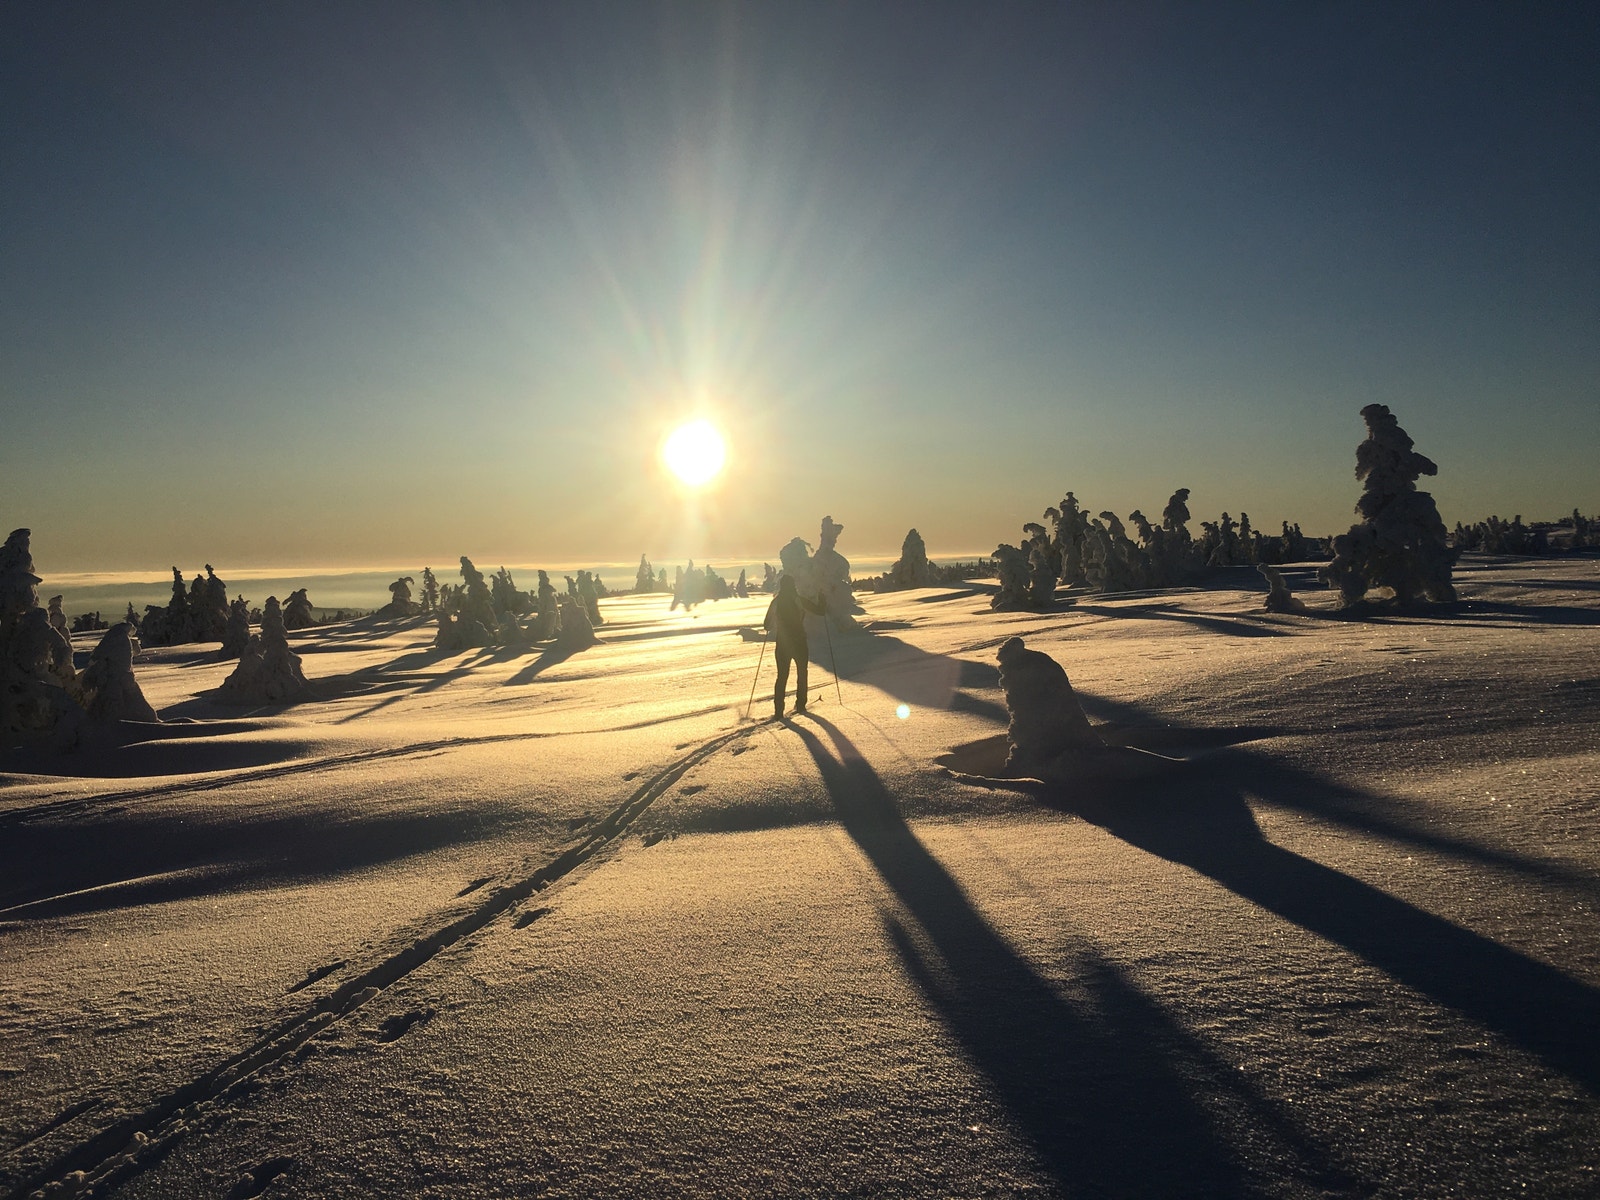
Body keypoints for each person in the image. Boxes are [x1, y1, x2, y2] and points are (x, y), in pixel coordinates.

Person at [763, 575, 826, 719]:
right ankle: (801, 705)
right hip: (799, 642)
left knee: (782, 676)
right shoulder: (798, 599)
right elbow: (820, 611)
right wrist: (822, 598)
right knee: (802, 673)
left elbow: (767, 625)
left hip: (782, 643)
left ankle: (779, 711)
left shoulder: (776, 601)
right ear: (793, 585)